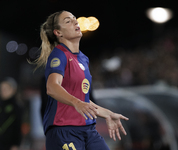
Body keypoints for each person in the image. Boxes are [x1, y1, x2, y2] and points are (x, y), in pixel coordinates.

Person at [34, 10, 129, 150]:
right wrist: (76, 102)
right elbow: (52, 87)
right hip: (63, 130)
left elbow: (82, 99)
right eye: (68, 21)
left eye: (74, 19)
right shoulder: (58, 55)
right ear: (58, 33)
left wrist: (107, 113)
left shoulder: (84, 59)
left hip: (87, 130)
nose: (75, 22)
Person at [0, 77, 23, 150]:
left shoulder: (16, 107)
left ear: (13, 90)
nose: (3, 91)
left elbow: (18, 127)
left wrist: (16, 144)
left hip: (8, 144)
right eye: (1, 89)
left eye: (5, 89)